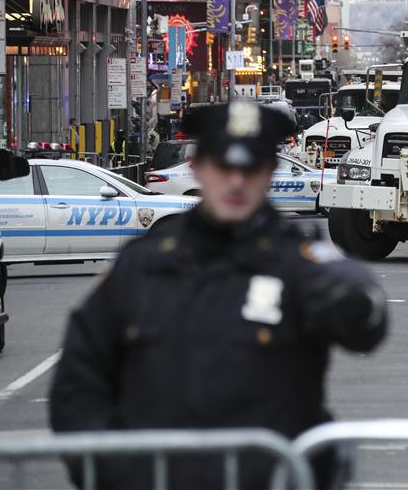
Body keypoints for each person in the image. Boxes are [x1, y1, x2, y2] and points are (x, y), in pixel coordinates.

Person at [50, 101, 388, 490]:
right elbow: (79, 382)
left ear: (270, 173)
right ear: (197, 169)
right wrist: (109, 470)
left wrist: (348, 291)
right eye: (223, 167)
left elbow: (366, 324)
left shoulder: (299, 264)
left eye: (251, 168)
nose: (236, 182)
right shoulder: (142, 267)